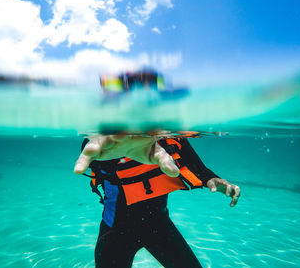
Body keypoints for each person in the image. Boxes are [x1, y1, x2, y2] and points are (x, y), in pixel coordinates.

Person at [73, 71, 241, 268]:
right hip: (116, 230)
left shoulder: (168, 136)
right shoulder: (106, 139)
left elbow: (193, 165)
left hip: (159, 224)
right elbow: (96, 157)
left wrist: (212, 179)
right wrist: (114, 141)